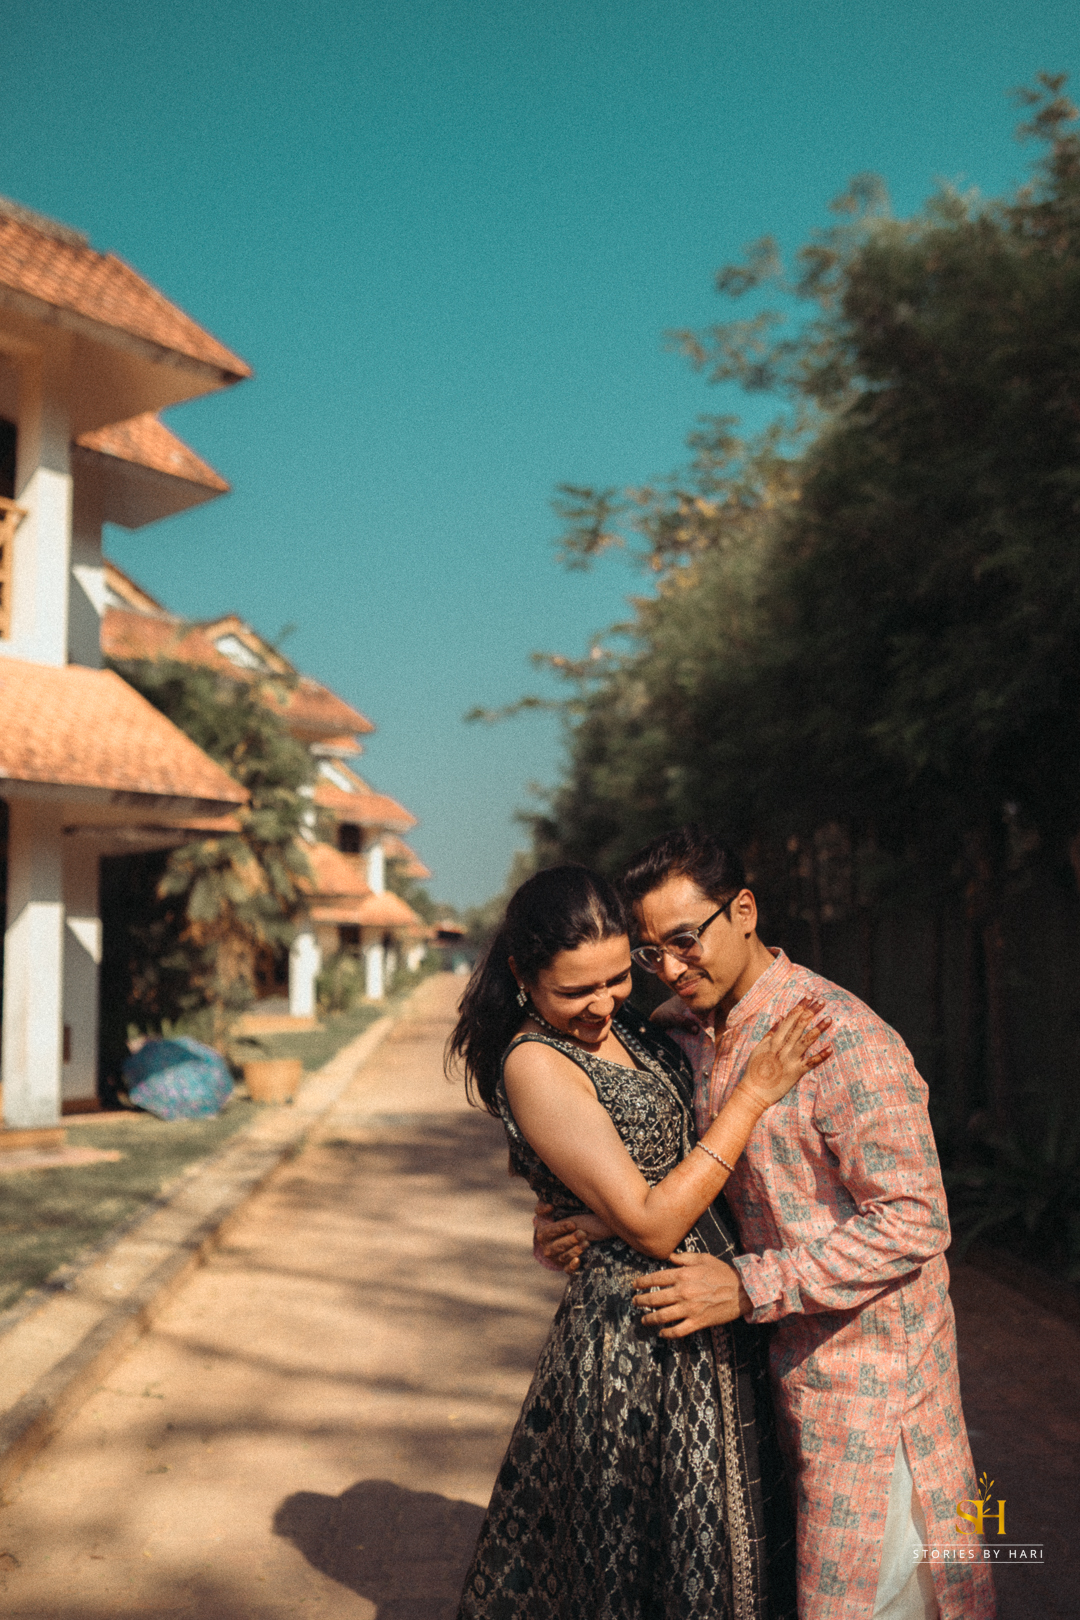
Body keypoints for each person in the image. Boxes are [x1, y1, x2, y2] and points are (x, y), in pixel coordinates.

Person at [538, 829, 995, 1620]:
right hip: (766, 1383)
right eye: (652, 952)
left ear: (744, 911)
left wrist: (748, 1286)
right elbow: (705, 1173)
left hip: (870, 1389)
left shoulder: (839, 1037)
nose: (672, 968)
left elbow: (915, 1220)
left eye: (686, 940)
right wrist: (601, 1217)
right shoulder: (684, 1031)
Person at [448, 864, 834, 1620]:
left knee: (739, 1545)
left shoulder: (634, 1025)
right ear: (523, 976)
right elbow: (654, 1223)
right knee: (663, 1562)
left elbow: (656, 1174)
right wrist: (755, 1094)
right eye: (576, 991)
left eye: (617, 978)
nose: (602, 1005)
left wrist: (596, 1220)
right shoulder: (535, 1063)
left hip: (713, 1311)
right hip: (638, 1343)